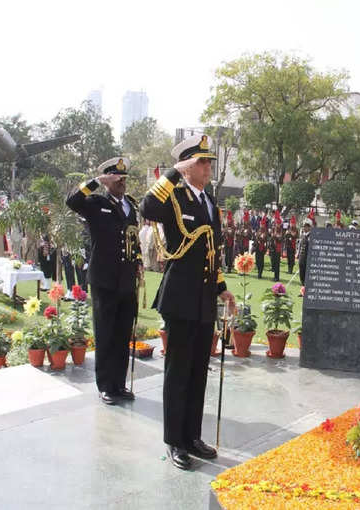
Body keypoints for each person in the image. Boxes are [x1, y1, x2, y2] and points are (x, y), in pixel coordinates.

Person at [140, 134, 236, 471]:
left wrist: (222, 288)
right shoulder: (175, 197)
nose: (209, 167)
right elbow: (146, 208)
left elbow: (214, 252)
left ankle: (192, 436)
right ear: (187, 165)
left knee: (198, 372)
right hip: (179, 298)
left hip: (204, 299)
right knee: (177, 372)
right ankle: (175, 441)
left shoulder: (209, 202)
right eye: (202, 162)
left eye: (210, 162)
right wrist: (171, 173)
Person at [66, 156, 142, 406]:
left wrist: (138, 264)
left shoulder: (131, 205)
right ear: (108, 180)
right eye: (116, 178)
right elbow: (72, 201)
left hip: (126, 280)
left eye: (124, 178)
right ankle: (105, 386)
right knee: (106, 334)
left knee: (122, 334)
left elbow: (133, 239)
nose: (122, 182)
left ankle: (119, 384)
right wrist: (95, 182)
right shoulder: (96, 203)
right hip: (104, 279)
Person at [269, 211, 284, 281]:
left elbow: (280, 238)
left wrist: (275, 236)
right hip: (273, 247)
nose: (277, 224)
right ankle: (275, 276)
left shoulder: (281, 230)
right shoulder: (273, 229)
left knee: (277, 263)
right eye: (276, 223)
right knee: (274, 262)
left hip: (278, 248)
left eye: (278, 223)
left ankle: (277, 277)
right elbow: (271, 236)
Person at [298, 217, 313, 286]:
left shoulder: (311, 236)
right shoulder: (303, 235)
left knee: (306, 275)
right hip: (302, 257)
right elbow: (300, 245)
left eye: (306, 226)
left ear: (309, 227)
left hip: (307, 258)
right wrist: (298, 254)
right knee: (301, 274)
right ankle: (302, 289)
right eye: (304, 226)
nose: (304, 228)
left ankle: (305, 290)